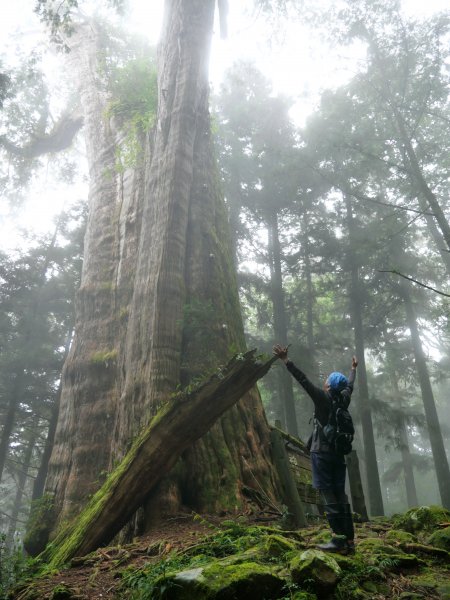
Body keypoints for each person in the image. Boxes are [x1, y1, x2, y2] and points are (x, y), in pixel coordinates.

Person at [272, 344, 358, 554]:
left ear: (329, 386)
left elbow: (303, 381)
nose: (324, 382)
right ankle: (349, 541)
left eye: (327, 381)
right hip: (339, 456)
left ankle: (338, 541)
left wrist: (286, 361)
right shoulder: (343, 399)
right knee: (341, 496)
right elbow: (351, 385)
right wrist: (353, 369)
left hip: (321, 454)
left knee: (329, 497)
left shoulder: (322, 398)